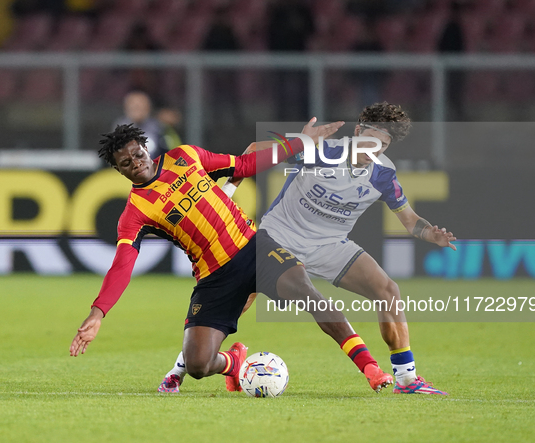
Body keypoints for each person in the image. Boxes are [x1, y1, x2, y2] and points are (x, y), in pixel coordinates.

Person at [69, 120, 394, 396]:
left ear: (146, 148)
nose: (135, 163)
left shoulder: (185, 157)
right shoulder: (134, 213)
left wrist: (300, 143)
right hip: (214, 278)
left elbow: (245, 165)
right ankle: (234, 363)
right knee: (198, 365)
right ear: (118, 170)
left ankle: (371, 369)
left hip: (255, 249)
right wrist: (98, 313)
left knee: (312, 298)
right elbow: (122, 265)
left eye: (137, 155)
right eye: (125, 164)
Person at [163, 103, 454, 395]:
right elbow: (253, 150)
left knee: (387, 290)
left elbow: (410, 220)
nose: (374, 147)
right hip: (278, 236)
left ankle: (406, 379)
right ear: (357, 131)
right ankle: (180, 369)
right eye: (370, 138)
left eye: (383, 143)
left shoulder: (384, 176)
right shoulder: (321, 150)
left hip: (330, 245)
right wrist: (228, 192)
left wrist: (431, 233)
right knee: (239, 300)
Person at [112, 91, 169, 160]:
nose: (137, 110)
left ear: (148, 108)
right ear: (126, 108)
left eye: (140, 106)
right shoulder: (119, 129)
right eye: (134, 106)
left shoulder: (159, 129)